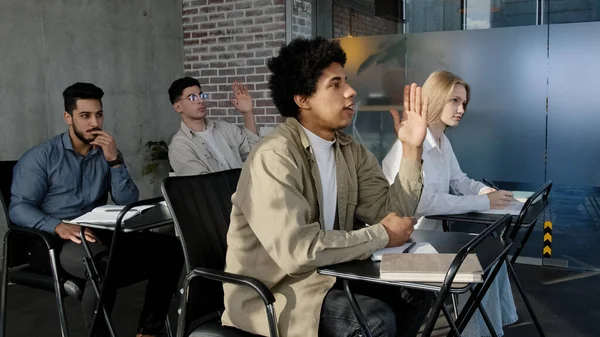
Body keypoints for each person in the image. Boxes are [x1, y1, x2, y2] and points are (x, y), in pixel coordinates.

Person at [221, 37, 433, 337]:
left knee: (418, 293)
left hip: (330, 274)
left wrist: (411, 149)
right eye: (335, 84)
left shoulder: (349, 150)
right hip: (275, 293)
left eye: (346, 81)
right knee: (374, 321)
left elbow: (392, 216)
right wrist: (382, 235)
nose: (351, 91)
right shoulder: (274, 155)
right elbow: (298, 251)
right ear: (303, 99)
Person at [9, 82, 183, 337]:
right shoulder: (41, 157)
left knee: (170, 248)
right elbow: (18, 208)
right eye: (85, 116)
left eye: (98, 114)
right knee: (100, 263)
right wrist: (59, 226)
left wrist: (114, 161)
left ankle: (148, 331)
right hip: (52, 241)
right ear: (68, 117)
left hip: (98, 233)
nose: (94, 122)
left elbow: (126, 200)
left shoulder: (106, 152)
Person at [382, 70, 518, 337]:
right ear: (436, 99)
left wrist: (487, 192)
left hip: (433, 241)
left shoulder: (443, 140)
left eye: (464, 103)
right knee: (481, 265)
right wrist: (482, 203)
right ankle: (479, 333)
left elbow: (459, 180)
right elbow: (426, 204)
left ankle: (493, 328)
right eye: (454, 101)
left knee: (494, 257)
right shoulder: (409, 147)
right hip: (405, 250)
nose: (461, 109)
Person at [167, 77, 260, 176]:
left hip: (245, 189)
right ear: (178, 107)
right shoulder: (180, 146)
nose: (200, 100)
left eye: (201, 95)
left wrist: (247, 113)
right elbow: (202, 185)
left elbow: (253, 151)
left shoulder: (224, 128)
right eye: (192, 97)